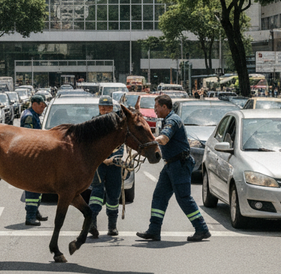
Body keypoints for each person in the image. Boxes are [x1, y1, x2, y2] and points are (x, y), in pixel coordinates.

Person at [136, 94, 211, 243]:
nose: (155, 110)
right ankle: (154, 230)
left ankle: (202, 228)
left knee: (184, 198)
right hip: (170, 164)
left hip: (179, 165)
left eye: (156, 107)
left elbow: (164, 139)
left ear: (165, 107)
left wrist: (149, 142)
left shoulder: (173, 120)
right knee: (159, 196)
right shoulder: (166, 119)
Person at [89, 96, 124, 238]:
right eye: (102, 108)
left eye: (107, 107)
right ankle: (92, 223)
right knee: (96, 192)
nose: (104, 110)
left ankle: (112, 226)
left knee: (114, 194)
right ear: (98, 108)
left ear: (112, 108)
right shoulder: (94, 122)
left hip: (115, 165)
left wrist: (115, 158)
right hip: (99, 164)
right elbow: (90, 144)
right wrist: (102, 159)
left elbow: (121, 142)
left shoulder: (118, 122)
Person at [20, 94, 48, 226]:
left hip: (37, 156)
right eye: (41, 106)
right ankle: (30, 216)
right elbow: (28, 139)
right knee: (32, 186)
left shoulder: (34, 115)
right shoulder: (29, 117)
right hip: (31, 158)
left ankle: (35, 212)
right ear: (34, 104)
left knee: (38, 186)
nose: (43, 109)